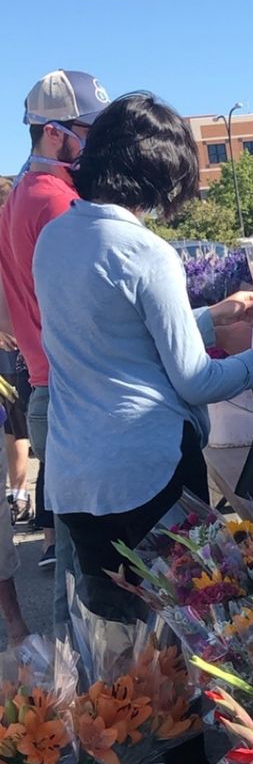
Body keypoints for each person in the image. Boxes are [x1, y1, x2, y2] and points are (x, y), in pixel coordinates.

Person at [33, 91, 253, 764]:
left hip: (79, 476)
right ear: (159, 176)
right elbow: (191, 381)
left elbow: (113, 339)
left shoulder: (56, 240)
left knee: (119, 645)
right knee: (186, 635)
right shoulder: (147, 251)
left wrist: (207, 316)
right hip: (147, 468)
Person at [0, 71, 110, 619]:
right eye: (88, 130)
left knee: (72, 551)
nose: (96, 144)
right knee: (85, 562)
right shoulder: (54, 202)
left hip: (44, 382)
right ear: (52, 132)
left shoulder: (20, 195)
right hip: (70, 387)